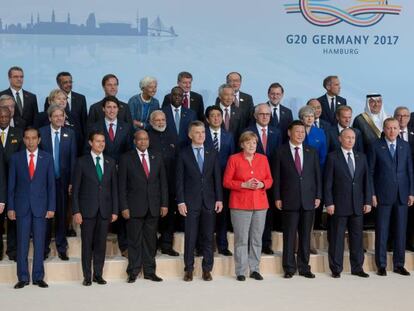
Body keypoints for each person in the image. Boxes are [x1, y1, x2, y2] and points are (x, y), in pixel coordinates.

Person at [272, 120, 322, 279]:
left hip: (309, 199)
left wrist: (318, 196)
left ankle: (304, 266)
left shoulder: (311, 151)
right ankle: (289, 267)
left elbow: (317, 176)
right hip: (288, 199)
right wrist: (277, 197)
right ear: (289, 133)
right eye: (297, 131)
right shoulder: (280, 151)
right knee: (289, 235)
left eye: (302, 132)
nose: (300, 134)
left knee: (305, 235)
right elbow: (277, 177)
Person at [8, 127, 56, 289]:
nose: (30, 141)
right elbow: (11, 186)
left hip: (41, 207)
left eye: (33, 138)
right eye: (27, 138)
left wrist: (51, 207)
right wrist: (11, 207)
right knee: (22, 243)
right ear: (23, 139)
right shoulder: (16, 159)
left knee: (40, 243)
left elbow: (51, 186)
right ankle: (22, 277)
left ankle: (37, 277)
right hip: (21, 207)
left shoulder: (47, 158)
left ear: (39, 140)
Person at [176, 121, 223, 281]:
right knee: (190, 237)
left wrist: (219, 199)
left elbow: (217, 177)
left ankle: (207, 269)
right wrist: (180, 201)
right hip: (190, 202)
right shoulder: (183, 153)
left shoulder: (212, 152)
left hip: (209, 201)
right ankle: (188, 269)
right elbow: (179, 180)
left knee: (209, 236)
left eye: (203, 132)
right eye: (197, 132)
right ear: (190, 135)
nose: (201, 135)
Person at [119, 130, 168, 283]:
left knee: (150, 241)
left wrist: (164, 204)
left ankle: (149, 271)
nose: (143, 142)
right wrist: (124, 207)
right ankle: (133, 271)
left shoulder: (157, 156)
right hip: (134, 207)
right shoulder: (126, 158)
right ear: (135, 141)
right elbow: (122, 186)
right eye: (140, 139)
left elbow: (163, 183)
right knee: (134, 240)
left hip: (153, 206)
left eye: (145, 139)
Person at [223, 131, 273, 281]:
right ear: (242, 144)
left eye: (254, 143)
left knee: (257, 239)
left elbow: (270, 180)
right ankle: (240, 271)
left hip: (260, 204)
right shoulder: (234, 159)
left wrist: (262, 184)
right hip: (240, 205)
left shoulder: (263, 159)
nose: (252, 145)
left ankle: (255, 269)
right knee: (241, 239)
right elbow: (226, 182)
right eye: (248, 142)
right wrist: (243, 184)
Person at [368, 118, 414, 276]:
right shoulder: (375, 145)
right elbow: (371, 172)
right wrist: (372, 194)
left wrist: (411, 192)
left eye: (395, 128)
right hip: (382, 195)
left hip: (402, 194)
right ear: (384, 129)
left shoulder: (405, 145)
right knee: (382, 229)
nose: (392, 131)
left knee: (401, 231)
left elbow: (410, 171)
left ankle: (399, 264)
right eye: (389, 128)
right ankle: (381, 264)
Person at [72, 130, 119, 286]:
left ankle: (98, 274)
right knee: (87, 244)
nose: (101, 144)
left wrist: (114, 210)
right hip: (87, 211)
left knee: (101, 244)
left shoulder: (110, 162)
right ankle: (87, 276)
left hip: (105, 210)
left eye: (103, 141)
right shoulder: (81, 162)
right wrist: (76, 211)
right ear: (90, 143)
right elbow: (76, 190)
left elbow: (114, 189)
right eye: (98, 141)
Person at [324, 128, 371, 278]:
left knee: (357, 239)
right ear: (340, 139)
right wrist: (329, 202)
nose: (350, 140)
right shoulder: (332, 157)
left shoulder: (362, 157)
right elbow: (328, 183)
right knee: (337, 238)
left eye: (353, 138)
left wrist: (368, 201)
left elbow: (367, 182)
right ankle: (336, 268)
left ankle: (357, 268)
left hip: (357, 204)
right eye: (347, 137)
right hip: (339, 205)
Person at [39, 104, 77, 260]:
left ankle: (61, 247)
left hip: (63, 181)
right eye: (56, 116)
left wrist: (72, 181)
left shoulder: (70, 133)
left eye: (61, 116)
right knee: (46, 215)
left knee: (61, 215)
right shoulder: (41, 133)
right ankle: (44, 247)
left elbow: (73, 159)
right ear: (49, 118)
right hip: (45, 183)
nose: (59, 118)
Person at [244, 103, 282, 253]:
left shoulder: (276, 132)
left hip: (269, 178)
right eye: (262, 114)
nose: (265, 117)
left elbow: (278, 156)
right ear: (255, 116)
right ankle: (250, 244)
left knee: (268, 214)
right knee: (250, 215)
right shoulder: (247, 131)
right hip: (251, 181)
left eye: (267, 114)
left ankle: (266, 243)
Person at [147, 110, 180, 256]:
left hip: (171, 182)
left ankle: (166, 244)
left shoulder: (173, 135)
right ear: (151, 121)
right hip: (152, 184)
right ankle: (152, 245)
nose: (160, 122)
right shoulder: (146, 136)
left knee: (170, 216)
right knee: (153, 215)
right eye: (157, 120)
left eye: (163, 119)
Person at [204, 106, 235, 256]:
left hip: (224, 180)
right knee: (207, 214)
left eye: (218, 115)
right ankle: (206, 245)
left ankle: (223, 245)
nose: (216, 118)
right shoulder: (202, 135)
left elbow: (233, 159)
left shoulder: (229, 136)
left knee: (222, 215)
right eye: (213, 116)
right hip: (206, 181)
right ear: (207, 119)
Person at [0, 106, 23, 261]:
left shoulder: (19, 134)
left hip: (15, 185)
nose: (3, 119)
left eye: (6, 116)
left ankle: (13, 251)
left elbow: (22, 160)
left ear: (10, 117)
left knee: (14, 220)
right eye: (0, 116)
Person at [44, 72, 88, 143]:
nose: (69, 84)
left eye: (70, 82)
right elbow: (47, 118)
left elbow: (83, 122)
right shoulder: (49, 99)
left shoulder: (81, 98)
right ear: (58, 84)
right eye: (65, 82)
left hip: (75, 139)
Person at [394, 107, 414, 250]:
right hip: (394, 181)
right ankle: (391, 242)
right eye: (399, 116)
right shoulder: (387, 133)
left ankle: (409, 242)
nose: (402, 118)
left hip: (410, 180)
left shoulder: (412, 134)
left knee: (411, 214)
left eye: (405, 116)